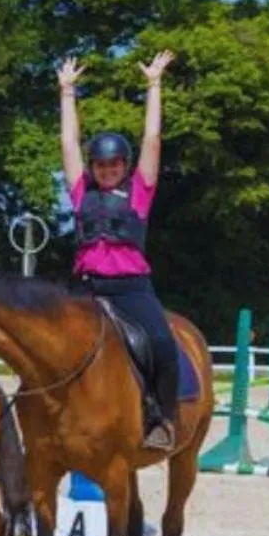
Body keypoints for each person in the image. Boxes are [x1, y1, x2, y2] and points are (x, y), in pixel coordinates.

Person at [59, 51, 181, 453]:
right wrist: (67, 92)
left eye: (114, 165)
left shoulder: (139, 192)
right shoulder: (81, 193)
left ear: (125, 166)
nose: (107, 170)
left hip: (130, 288)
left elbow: (151, 139)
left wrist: (154, 85)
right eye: (101, 165)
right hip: (85, 290)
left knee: (163, 344)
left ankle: (161, 419)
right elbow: (68, 143)